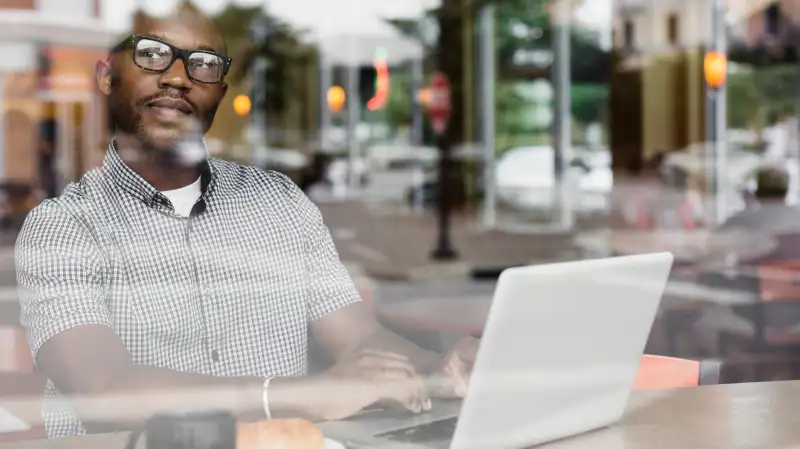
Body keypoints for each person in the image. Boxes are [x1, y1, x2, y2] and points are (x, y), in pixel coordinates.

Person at [15, 3, 478, 438]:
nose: (179, 78)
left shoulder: (279, 203)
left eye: (204, 64)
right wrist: (299, 396)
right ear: (106, 77)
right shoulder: (63, 227)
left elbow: (358, 340)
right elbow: (104, 388)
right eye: (153, 55)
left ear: (220, 91)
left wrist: (437, 371)